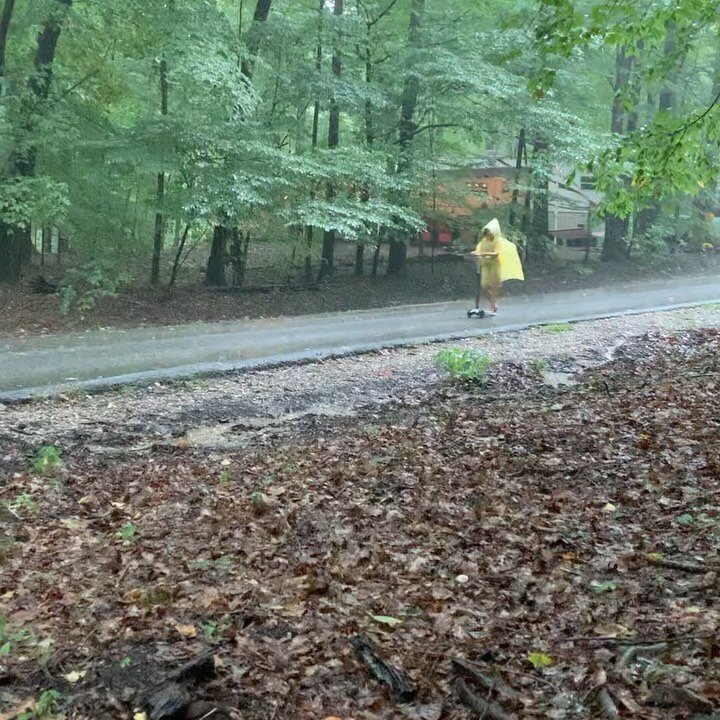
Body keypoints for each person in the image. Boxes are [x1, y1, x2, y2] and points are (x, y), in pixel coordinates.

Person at [471, 218, 524, 314]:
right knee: (484, 286)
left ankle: (493, 303)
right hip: (485, 265)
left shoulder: (499, 242)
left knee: (494, 285)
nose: (488, 234)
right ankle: (492, 301)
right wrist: (476, 253)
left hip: (494, 264)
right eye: (487, 232)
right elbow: (478, 250)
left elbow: (496, 254)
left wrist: (483, 253)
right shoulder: (483, 241)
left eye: (490, 232)